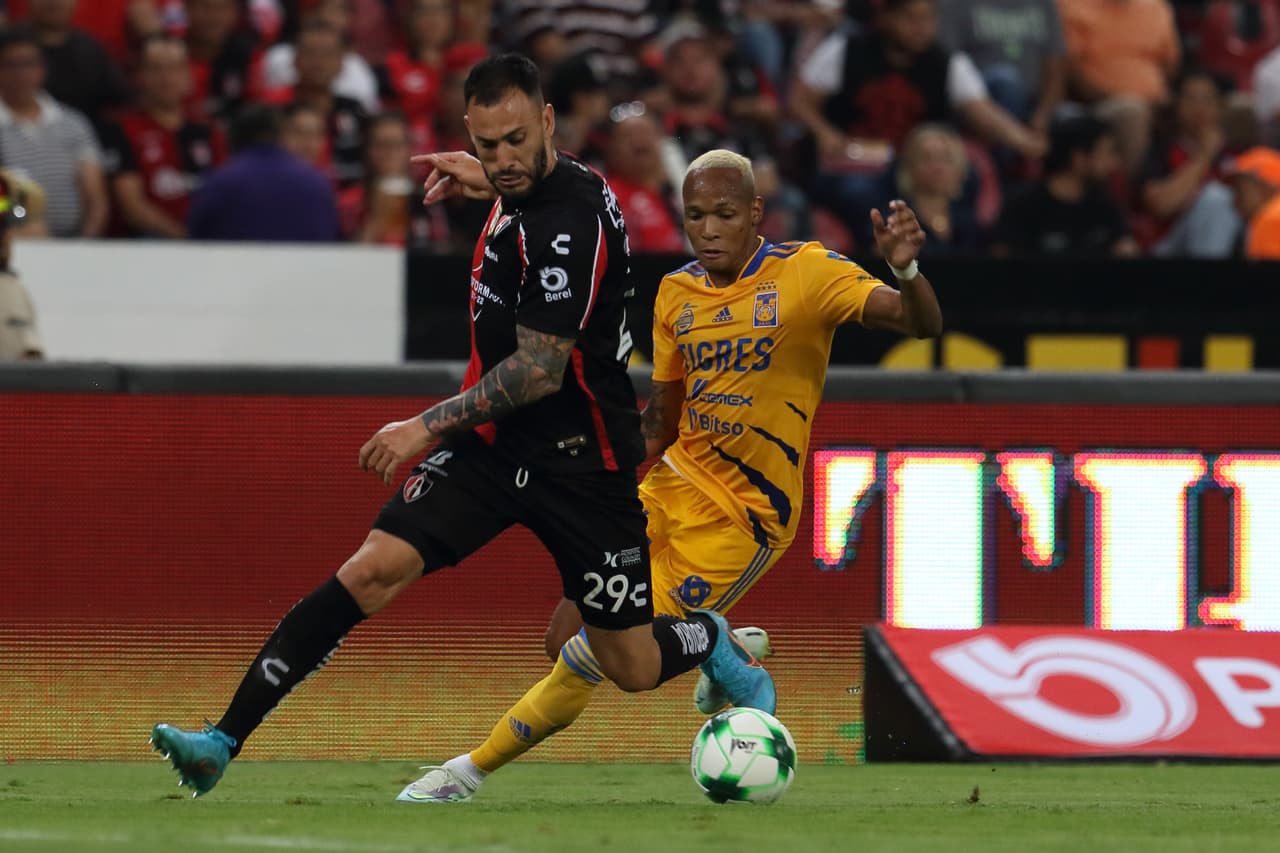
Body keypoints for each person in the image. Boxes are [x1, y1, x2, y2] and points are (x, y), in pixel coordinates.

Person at [151, 54, 772, 797]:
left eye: (515, 140)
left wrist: (423, 424)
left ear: (548, 120)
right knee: (370, 571)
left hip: (584, 464)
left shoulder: (569, 222)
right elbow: (532, 188)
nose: (502, 160)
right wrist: (492, 179)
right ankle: (220, 740)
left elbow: (540, 368)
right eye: (487, 145)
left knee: (631, 665)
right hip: (492, 449)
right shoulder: (531, 184)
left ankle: (715, 639)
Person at [395, 147, 942, 803]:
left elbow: (920, 322)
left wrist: (904, 268)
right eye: (695, 216)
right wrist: (595, 479)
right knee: (563, 637)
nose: (708, 229)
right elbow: (662, 417)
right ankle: (714, 640)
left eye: (724, 214)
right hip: (666, 490)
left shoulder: (808, 273)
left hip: (742, 516)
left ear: (756, 214)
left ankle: (466, 771)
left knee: (597, 654)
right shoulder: (676, 293)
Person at [100, 35, 223, 239]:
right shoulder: (120, 128)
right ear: (140, 76)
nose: (166, 78)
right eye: (156, 68)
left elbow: (224, 194)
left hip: (206, 243)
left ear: (188, 75)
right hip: (145, 245)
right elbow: (132, 207)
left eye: (175, 68)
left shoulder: (207, 131)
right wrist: (185, 239)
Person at [0, 26, 107, 237]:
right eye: (11, 65)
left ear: (43, 69)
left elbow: (96, 198)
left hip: (72, 244)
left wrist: (85, 243)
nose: (21, 74)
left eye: (29, 64)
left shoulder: (73, 122)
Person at [186, 103, 339, 242]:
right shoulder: (317, 184)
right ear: (280, 135)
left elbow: (197, 240)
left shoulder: (219, 181)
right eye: (298, 133)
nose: (309, 144)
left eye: (317, 134)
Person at [992, 115, 1138, 256]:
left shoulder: (1104, 205)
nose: (1114, 163)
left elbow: (1125, 248)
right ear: (1079, 158)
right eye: (1107, 153)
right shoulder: (1023, 206)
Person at [1225, 146, 1280, 259]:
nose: (1235, 201)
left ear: (1266, 187)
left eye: (1239, 190)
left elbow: (1268, 275)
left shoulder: (1270, 219)